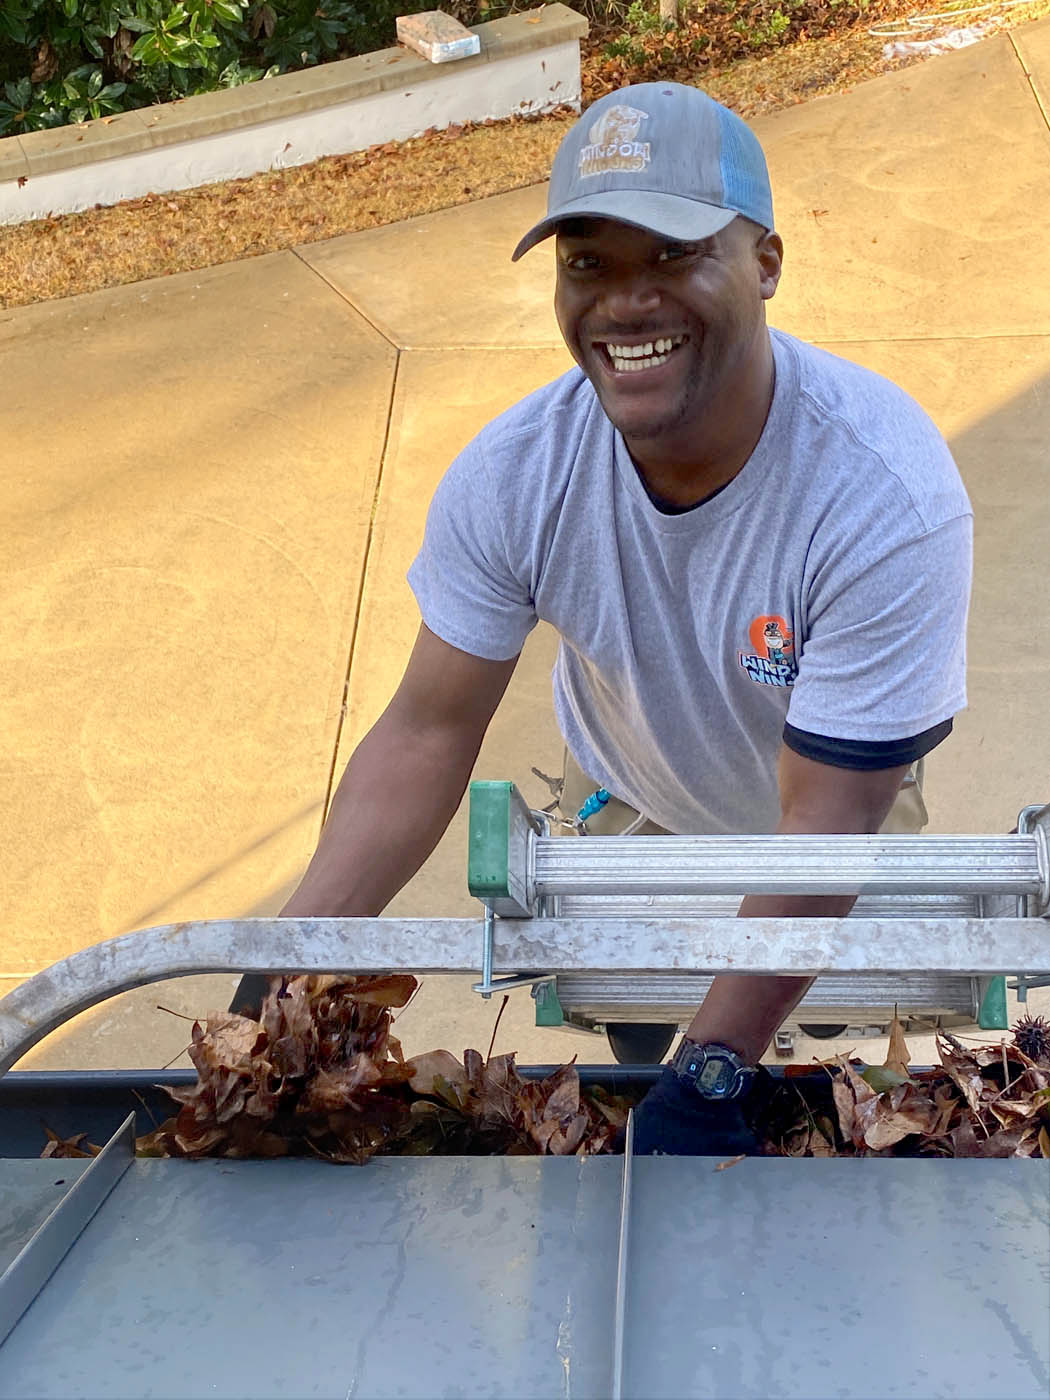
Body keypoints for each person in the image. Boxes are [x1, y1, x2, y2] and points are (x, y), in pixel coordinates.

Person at [260, 83, 973, 1155]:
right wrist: (280, 967)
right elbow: (425, 732)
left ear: (766, 262)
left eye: (675, 254)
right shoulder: (518, 477)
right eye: (588, 263)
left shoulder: (881, 497)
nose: (625, 303)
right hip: (632, 813)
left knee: (829, 1125)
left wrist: (717, 1066)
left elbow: (823, 832)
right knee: (649, 1062)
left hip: (835, 831)